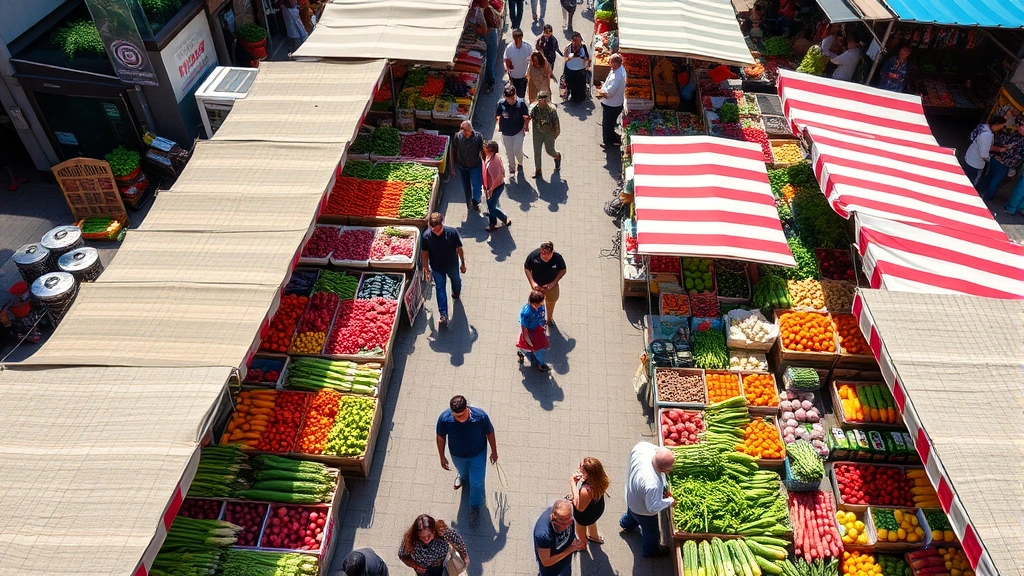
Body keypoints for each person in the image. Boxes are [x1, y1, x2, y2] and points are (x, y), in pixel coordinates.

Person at [436, 396, 498, 526]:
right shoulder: (444, 419)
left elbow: (490, 432)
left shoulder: (480, 417)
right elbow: (441, 436)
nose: (459, 418)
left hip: (478, 455)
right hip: (457, 455)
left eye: (462, 415)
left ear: (467, 408)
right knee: (462, 471)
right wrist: (442, 456)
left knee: (477, 482)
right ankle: (462, 476)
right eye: (456, 416)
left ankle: (475, 506)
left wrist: (494, 451)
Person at [619, 441, 675, 557]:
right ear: (664, 469)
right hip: (643, 510)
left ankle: (625, 525)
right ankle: (650, 551)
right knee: (651, 531)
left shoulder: (643, 448)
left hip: (632, 494)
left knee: (631, 513)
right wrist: (670, 501)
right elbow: (652, 507)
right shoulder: (652, 484)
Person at [420, 213, 466, 327]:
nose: (436, 232)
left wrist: (463, 263)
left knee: (457, 282)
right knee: (440, 289)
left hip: (452, 266)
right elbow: (424, 253)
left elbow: (459, 249)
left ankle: (456, 293)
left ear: (442, 224)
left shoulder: (452, 233)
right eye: (434, 230)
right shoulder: (426, 236)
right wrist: (426, 268)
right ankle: (443, 314)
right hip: (437, 268)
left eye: (438, 230)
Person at [398, 515, 470, 575]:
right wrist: (415, 566)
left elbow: (457, 541)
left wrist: (464, 555)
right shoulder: (410, 540)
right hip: (422, 569)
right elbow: (402, 555)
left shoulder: (443, 532)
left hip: (438, 565)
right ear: (417, 535)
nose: (426, 539)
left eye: (429, 535)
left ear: (434, 530)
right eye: (422, 537)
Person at [534, 500, 586, 576]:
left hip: (565, 560)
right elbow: (546, 562)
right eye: (561, 523)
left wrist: (575, 542)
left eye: (567, 522)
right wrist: (571, 549)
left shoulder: (569, 519)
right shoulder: (543, 535)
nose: (565, 526)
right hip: (551, 567)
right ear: (552, 517)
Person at [523, 241, 566, 322]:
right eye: (542, 252)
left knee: (551, 302)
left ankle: (549, 319)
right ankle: (533, 319)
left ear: (552, 252)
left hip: (551, 286)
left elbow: (563, 270)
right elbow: (527, 268)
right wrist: (533, 283)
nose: (543, 255)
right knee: (534, 303)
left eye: (546, 254)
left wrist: (553, 283)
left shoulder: (558, 258)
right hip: (536, 286)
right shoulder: (534, 256)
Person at [571, 457, 609, 547]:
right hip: (597, 508)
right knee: (592, 522)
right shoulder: (601, 479)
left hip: (584, 516)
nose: (580, 465)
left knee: (580, 526)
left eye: (582, 466)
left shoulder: (586, 490)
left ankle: (582, 544)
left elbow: (579, 507)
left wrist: (572, 484)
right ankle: (594, 537)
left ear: (588, 474)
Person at [981, 122, 1024, 200]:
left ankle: (981, 193)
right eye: (1021, 125)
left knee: (991, 178)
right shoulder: (1011, 134)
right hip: (1000, 162)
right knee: (994, 181)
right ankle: (986, 197)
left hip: (1003, 162)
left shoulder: (1013, 134)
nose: (1021, 128)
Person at [495, 85, 530, 176]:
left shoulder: (521, 103)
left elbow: (526, 116)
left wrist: (526, 126)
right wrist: (498, 126)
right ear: (505, 97)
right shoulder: (501, 104)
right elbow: (498, 115)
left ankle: (520, 163)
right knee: (509, 150)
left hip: (518, 131)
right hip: (506, 132)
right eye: (509, 98)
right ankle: (512, 167)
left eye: (513, 97)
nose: (512, 100)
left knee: (517, 149)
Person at [964, 115, 1008, 188]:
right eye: (1001, 126)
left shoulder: (983, 126)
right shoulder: (987, 135)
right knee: (970, 182)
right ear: (996, 124)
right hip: (975, 162)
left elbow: (973, 136)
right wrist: (989, 160)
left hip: (969, 155)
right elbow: (984, 154)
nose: (1001, 128)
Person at [595, 53, 626, 149]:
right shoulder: (617, 70)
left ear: (616, 63)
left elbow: (610, 92)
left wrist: (600, 92)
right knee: (610, 123)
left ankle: (607, 142)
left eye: (611, 62)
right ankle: (612, 138)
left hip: (612, 104)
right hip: (613, 103)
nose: (609, 64)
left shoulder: (618, 76)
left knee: (607, 123)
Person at [452, 121, 485, 211]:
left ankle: (476, 201)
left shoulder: (478, 137)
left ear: (470, 129)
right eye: (462, 129)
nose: (463, 132)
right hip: (462, 166)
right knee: (466, 186)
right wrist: (452, 166)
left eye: (465, 130)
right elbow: (453, 149)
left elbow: (482, 151)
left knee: (476, 185)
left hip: (475, 166)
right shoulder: (458, 137)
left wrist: (485, 165)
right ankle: (468, 203)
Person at [482, 140, 512, 232]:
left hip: (494, 188)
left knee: (492, 207)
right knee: (491, 205)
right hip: (490, 187)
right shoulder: (492, 157)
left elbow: (497, 178)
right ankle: (493, 223)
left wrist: (491, 190)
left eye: (486, 149)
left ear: (491, 150)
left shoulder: (493, 163)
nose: (484, 150)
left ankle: (503, 219)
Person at [529, 92, 561, 178]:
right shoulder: (534, 109)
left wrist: (556, 133)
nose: (542, 101)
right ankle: (538, 170)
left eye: (544, 99)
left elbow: (556, 123)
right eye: (540, 99)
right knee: (537, 151)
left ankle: (557, 156)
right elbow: (529, 116)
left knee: (549, 150)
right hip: (537, 132)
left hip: (549, 133)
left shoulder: (551, 110)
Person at [517, 290, 551, 372]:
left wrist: (544, 322)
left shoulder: (540, 307)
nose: (543, 304)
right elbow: (524, 330)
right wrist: (530, 342)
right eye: (541, 303)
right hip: (532, 333)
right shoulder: (527, 313)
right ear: (534, 304)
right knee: (539, 350)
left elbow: (542, 315)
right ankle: (541, 365)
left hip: (538, 329)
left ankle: (522, 351)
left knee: (530, 348)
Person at [474, 0, 503, 93]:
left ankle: (490, 82)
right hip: (489, 34)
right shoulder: (485, 9)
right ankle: (489, 80)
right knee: (490, 58)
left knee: (490, 59)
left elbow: (485, 29)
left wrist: (477, 29)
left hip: (489, 35)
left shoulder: (485, 11)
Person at [562, 32, 590, 104]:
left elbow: (587, 58)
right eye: (575, 41)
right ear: (572, 40)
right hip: (571, 70)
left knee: (580, 85)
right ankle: (572, 97)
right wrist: (569, 57)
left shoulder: (583, 47)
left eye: (578, 40)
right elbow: (565, 58)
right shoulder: (568, 47)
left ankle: (580, 98)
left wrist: (586, 65)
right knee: (571, 84)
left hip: (580, 70)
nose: (577, 43)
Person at [504, 29, 532, 98]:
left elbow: (531, 62)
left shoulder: (528, 47)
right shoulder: (509, 48)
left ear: (521, 37)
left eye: (518, 38)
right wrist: (507, 70)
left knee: (521, 96)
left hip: (523, 77)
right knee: (513, 96)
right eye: (515, 38)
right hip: (513, 77)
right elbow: (505, 61)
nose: (516, 40)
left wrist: (528, 73)